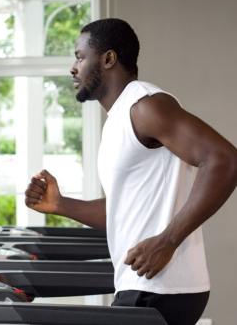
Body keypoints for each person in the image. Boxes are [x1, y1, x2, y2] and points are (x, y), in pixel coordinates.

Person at [24, 18, 237, 325]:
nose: (73, 67)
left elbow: (224, 160)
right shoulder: (120, 117)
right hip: (147, 285)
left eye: (80, 57)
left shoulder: (145, 106)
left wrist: (168, 241)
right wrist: (61, 205)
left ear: (108, 59)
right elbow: (122, 209)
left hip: (160, 288)